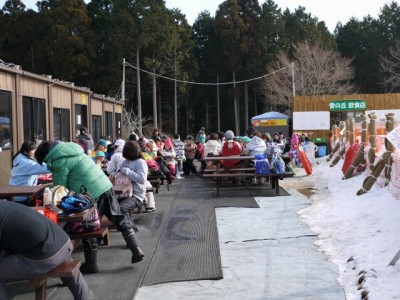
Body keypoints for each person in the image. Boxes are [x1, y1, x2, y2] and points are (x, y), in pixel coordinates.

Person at [35, 140, 144, 274]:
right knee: (117, 215)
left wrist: (46, 192)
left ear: (46, 155)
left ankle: (91, 263)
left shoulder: (58, 160)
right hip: (105, 185)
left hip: (90, 193)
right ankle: (135, 247)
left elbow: (59, 188)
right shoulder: (73, 149)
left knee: (88, 225)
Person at [0, 200, 94, 300]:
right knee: (64, 259)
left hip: (46, 255)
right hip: (64, 242)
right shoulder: (4, 205)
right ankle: (86, 297)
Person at [119, 141, 151, 217]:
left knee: (121, 208)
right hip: (124, 193)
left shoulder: (140, 162)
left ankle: (128, 227)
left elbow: (142, 179)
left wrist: (128, 171)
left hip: (137, 195)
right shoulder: (124, 162)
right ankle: (122, 225)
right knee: (109, 205)